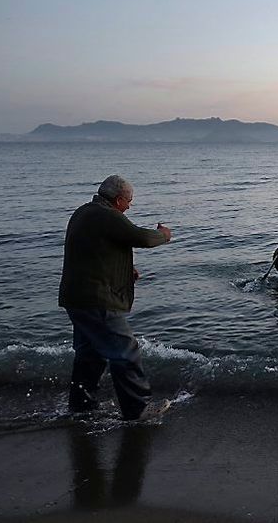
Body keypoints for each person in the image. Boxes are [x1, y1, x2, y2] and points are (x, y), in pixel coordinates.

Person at [59, 175, 173, 421]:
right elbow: (140, 237)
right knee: (125, 349)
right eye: (129, 202)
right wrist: (163, 234)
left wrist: (124, 270)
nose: (130, 206)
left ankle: (81, 405)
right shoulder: (106, 215)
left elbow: (94, 251)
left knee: (90, 354)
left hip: (76, 298)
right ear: (119, 199)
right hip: (96, 299)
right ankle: (138, 408)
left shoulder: (84, 213)